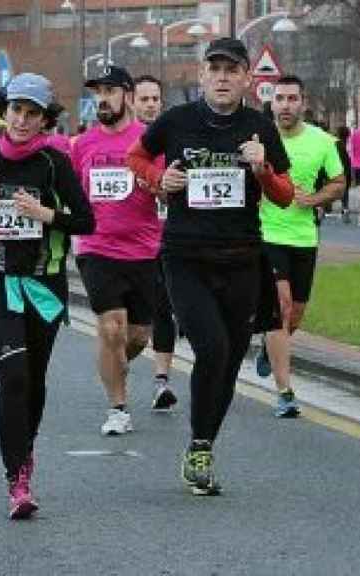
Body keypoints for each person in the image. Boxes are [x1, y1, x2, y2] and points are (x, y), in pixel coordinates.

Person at [127, 38, 294, 495]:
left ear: (246, 78)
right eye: (214, 69)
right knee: (213, 348)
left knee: (230, 357)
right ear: (202, 76)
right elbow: (135, 156)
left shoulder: (260, 127)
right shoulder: (177, 121)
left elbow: (285, 195)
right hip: (185, 256)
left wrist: (262, 170)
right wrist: (160, 179)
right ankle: (200, 445)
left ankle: (204, 444)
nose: (222, 78)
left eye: (231, 70)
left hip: (242, 258)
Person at [0, 73, 94, 519]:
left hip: (42, 283)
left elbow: (86, 222)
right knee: (13, 375)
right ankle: (16, 477)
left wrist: (46, 213)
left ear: (44, 120)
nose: (21, 119)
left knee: (33, 380)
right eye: (15, 109)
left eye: (31, 113)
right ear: (3, 110)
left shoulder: (55, 163)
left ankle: (25, 449)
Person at [71, 66, 167, 436]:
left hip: (144, 248)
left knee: (139, 336)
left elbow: (165, 188)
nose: (103, 99)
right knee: (111, 329)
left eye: (110, 91)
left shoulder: (148, 140)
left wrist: (156, 187)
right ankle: (118, 408)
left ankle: (114, 364)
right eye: (97, 92)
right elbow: (75, 194)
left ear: (127, 95)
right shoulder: (82, 145)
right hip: (97, 246)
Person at [253, 76, 344, 418]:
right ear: (271, 102)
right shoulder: (259, 139)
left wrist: (315, 198)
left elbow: (338, 183)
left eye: (293, 98)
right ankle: (285, 392)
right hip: (267, 234)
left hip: (304, 237)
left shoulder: (322, 141)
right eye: (280, 98)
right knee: (282, 304)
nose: (286, 105)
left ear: (303, 103)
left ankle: (269, 347)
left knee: (296, 314)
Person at [132, 74, 179, 408]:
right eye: (144, 98)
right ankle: (116, 359)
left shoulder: (174, 137)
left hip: (170, 237)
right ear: (132, 102)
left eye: (155, 98)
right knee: (133, 325)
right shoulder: (126, 142)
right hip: (130, 242)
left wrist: (165, 188)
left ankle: (161, 380)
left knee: (164, 309)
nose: (150, 104)